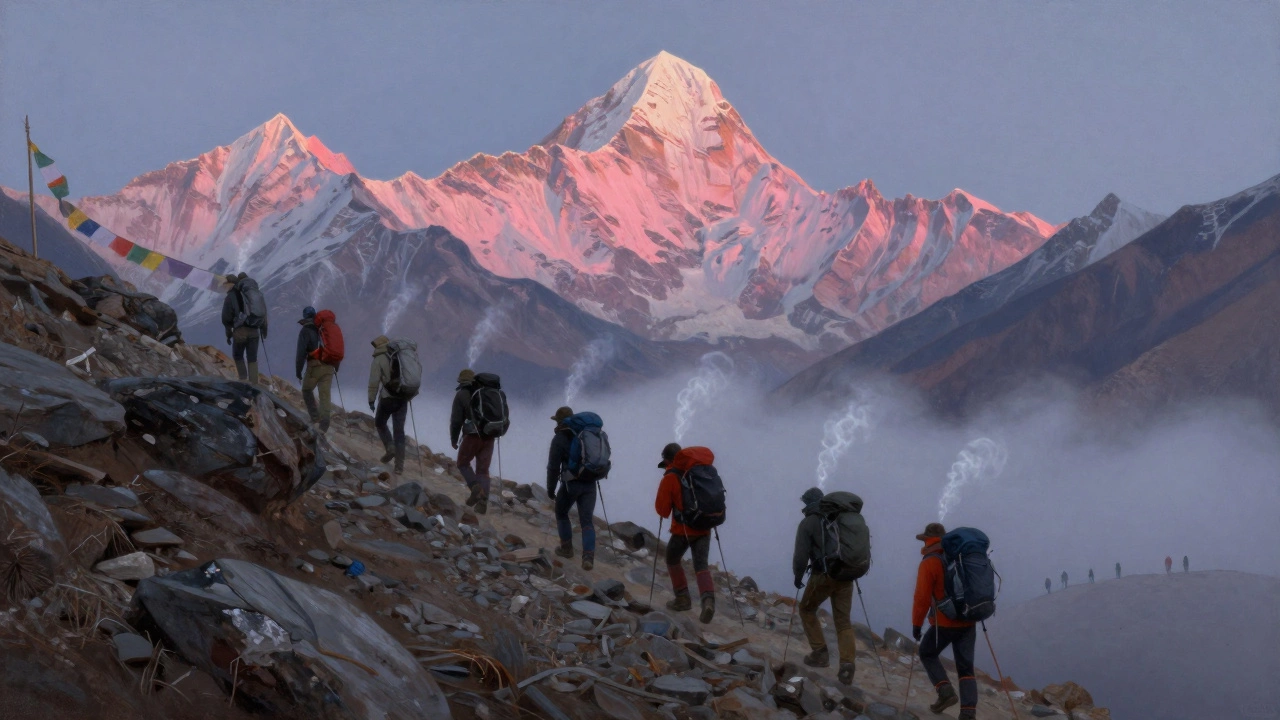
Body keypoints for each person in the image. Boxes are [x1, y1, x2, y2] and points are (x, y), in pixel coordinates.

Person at [792, 487, 857, 684]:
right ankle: (847, 665)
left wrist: (798, 576)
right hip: (846, 575)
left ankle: (820, 653)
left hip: (823, 575)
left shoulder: (808, 523)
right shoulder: (839, 518)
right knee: (843, 621)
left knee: (806, 609)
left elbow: (801, 555)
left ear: (807, 503)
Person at [913, 523, 977, 720]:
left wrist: (917, 624)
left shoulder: (929, 562)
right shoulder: (961, 556)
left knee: (927, 652)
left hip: (944, 622)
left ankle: (945, 691)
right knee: (965, 667)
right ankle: (968, 713)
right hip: (968, 620)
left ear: (926, 540)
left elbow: (922, 598)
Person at [655, 443, 717, 623]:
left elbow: (662, 510)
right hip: (704, 526)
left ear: (667, 460)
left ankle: (682, 598)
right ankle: (708, 602)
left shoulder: (671, 477)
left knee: (672, 559)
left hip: (683, 529)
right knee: (701, 566)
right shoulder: (701, 472)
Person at [546, 406, 597, 570]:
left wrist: (550, 489)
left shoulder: (560, 438)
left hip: (571, 483)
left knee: (561, 512)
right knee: (587, 520)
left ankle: (567, 549)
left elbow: (553, 467)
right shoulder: (586, 435)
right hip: (590, 482)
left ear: (560, 421)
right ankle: (588, 557)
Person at [450, 369, 493, 514]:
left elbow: (456, 420)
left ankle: (475, 487)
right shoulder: (486, 392)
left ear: (461, 381)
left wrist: (454, 439)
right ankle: (482, 503)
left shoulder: (461, 394)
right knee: (483, 470)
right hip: (489, 435)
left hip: (473, 435)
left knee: (462, 463)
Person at [367, 336, 408, 474]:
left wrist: (371, 400)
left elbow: (374, 381)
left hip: (387, 398)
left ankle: (390, 447)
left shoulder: (378, 359)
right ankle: (399, 466)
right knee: (399, 431)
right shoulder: (401, 356)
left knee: (380, 423)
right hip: (402, 398)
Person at [221, 273, 268, 385]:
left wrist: (228, 333)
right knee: (252, 358)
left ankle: (243, 380)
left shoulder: (232, 296)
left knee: (238, 355)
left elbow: (226, 317)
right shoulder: (256, 294)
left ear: (231, 283)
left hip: (240, 331)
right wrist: (263, 329)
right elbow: (264, 314)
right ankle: (254, 384)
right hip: (255, 331)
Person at [303, 309, 342, 432]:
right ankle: (324, 424)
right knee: (325, 395)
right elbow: (337, 349)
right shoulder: (335, 329)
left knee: (306, 389)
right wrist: (336, 367)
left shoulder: (319, 329)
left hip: (317, 365)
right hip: (331, 366)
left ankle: (315, 418)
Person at [294, 306, 322, 421]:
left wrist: (298, 372)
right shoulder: (320, 328)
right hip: (326, 362)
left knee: (306, 390)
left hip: (313, 364)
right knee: (324, 391)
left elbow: (301, 353)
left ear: (305, 316)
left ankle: (315, 418)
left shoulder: (305, 331)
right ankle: (325, 418)